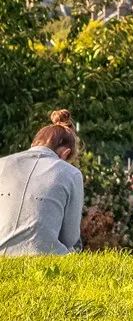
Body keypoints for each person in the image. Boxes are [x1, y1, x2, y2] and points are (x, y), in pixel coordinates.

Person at [0, 110, 84, 257]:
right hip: (42, 255)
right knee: (76, 247)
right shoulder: (72, 173)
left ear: (34, 143)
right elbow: (70, 238)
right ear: (65, 153)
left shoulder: (3, 164)